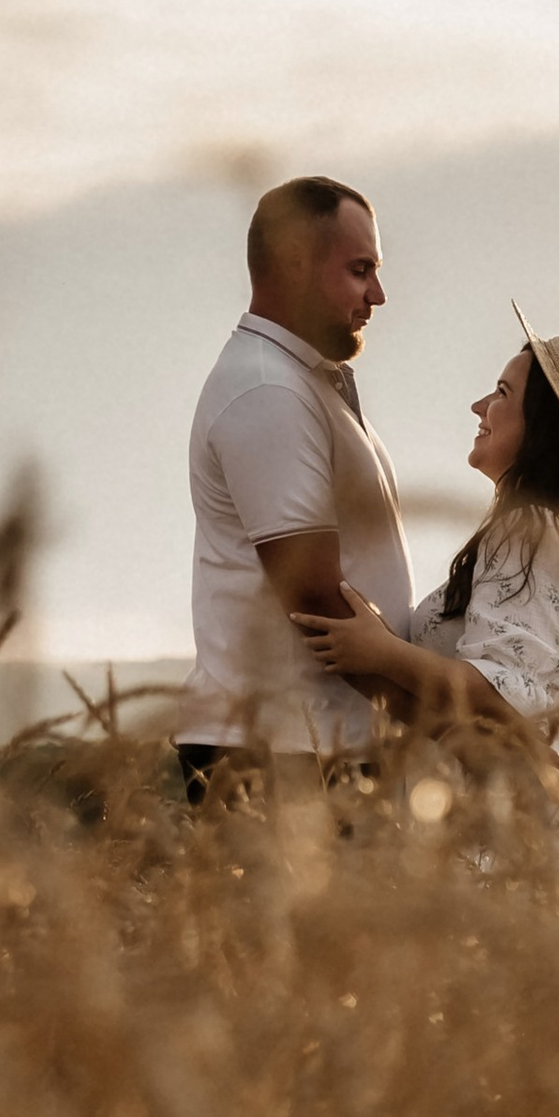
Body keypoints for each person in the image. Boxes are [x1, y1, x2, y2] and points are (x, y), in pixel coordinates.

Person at [292, 307, 559, 848]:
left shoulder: (528, 530)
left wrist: (379, 652)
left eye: (501, 393)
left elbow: (505, 688)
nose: (479, 406)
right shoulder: (550, 530)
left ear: (541, 426)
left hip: (509, 823)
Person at [173, 177, 412, 796]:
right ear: (295, 264)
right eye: (360, 270)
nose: (378, 295)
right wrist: (439, 718)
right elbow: (312, 595)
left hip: (317, 744)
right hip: (282, 755)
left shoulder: (297, 383)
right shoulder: (268, 391)